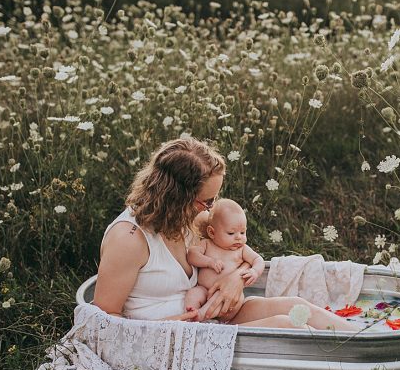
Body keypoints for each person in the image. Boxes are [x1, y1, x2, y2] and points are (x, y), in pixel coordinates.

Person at [92, 138, 361, 332]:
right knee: (289, 325)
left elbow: (234, 248)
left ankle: (371, 344)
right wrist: (167, 325)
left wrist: (234, 279)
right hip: (168, 335)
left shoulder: (189, 220)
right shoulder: (129, 240)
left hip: (211, 317)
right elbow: (103, 322)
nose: (210, 209)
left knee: (298, 307)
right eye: (206, 201)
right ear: (176, 197)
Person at [184, 198, 265, 320]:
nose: (238, 238)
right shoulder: (207, 244)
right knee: (193, 293)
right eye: (231, 233)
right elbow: (191, 255)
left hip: (229, 298)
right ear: (212, 233)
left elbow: (258, 259)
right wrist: (209, 262)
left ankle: (201, 315)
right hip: (204, 289)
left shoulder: (242, 249)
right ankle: (190, 316)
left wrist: (255, 271)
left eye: (243, 232)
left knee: (218, 296)